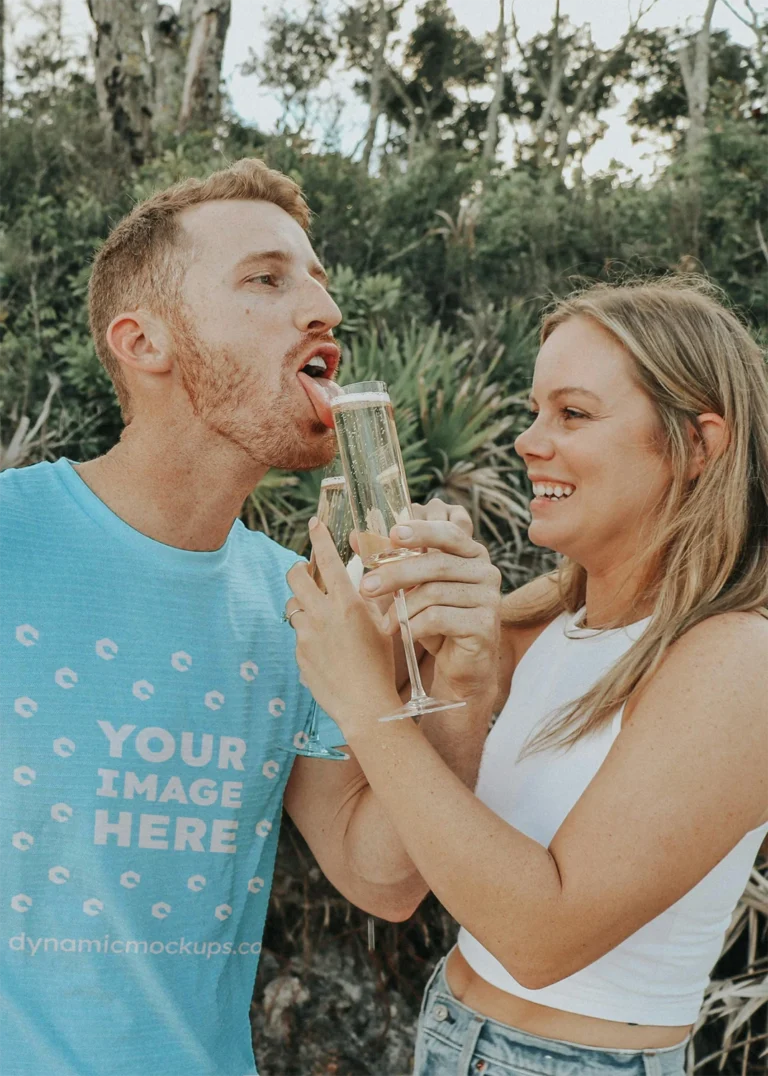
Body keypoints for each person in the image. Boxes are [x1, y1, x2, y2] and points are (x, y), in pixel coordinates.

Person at [0, 158, 497, 1076]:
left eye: (318, 281)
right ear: (143, 341)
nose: (323, 310)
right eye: (266, 280)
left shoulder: (298, 604)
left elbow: (381, 878)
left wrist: (463, 683)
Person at [287, 278, 768, 1076]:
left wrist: (368, 701)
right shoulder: (543, 617)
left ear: (698, 445)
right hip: (449, 1028)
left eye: (572, 413)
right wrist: (446, 670)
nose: (528, 442)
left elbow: (542, 937)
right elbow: (383, 873)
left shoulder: (738, 658)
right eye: (536, 410)